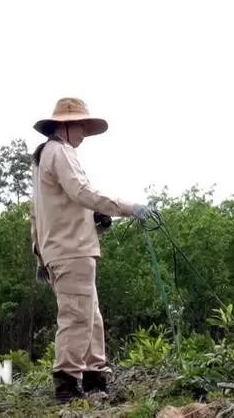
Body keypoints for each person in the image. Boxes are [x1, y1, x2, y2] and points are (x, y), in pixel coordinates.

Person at [29, 97, 156, 402]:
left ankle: (95, 379)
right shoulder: (60, 151)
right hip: (70, 251)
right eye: (81, 125)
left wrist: (93, 219)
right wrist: (128, 208)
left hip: (65, 249)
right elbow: (82, 192)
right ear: (65, 125)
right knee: (76, 318)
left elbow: (45, 211)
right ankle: (67, 387)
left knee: (90, 317)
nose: (85, 132)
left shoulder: (47, 156)